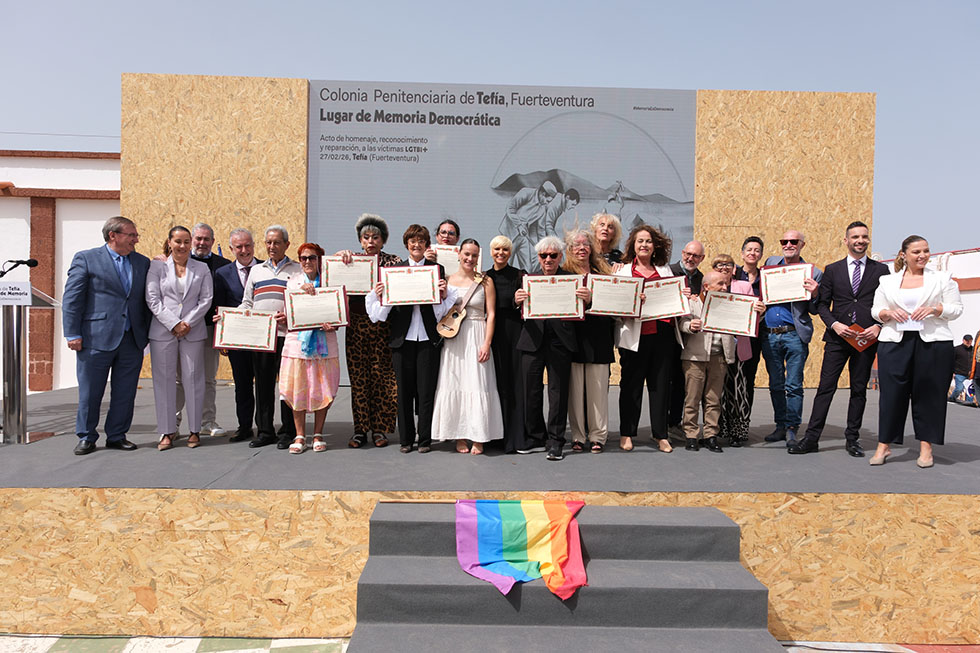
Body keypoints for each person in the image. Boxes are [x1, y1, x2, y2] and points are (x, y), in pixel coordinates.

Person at [790, 221, 890, 457]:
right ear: (846, 241)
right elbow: (823, 304)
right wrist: (835, 325)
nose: (860, 241)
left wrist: (878, 326)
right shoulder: (832, 270)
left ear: (868, 240)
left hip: (865, 339)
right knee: (825, 388)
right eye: (855, 237)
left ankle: (852, 439)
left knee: (858, 390)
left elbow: (888, 304)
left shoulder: (881, 271)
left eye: (864, 237)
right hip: (837, 338)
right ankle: (811, 438)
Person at [870, 235, 963, 468]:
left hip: (933, 343)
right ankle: (884, 445)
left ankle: (926, 447)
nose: (923, 255)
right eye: (916, 252)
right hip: (894, 342)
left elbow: (956, 309)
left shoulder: (942, 279)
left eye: (926, 251)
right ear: (904, 254)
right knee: (891, 395)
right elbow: (876, 310)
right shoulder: (887, 281)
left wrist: (935, 309)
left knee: (929, 395)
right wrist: (887, 314)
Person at [62, 216, 151, 455]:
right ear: (113, 235)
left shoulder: (142, 262)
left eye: (136, 235)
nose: (136, 240)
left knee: (125, 392)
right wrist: (72, 333)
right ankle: (86, 436)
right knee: (90, 392)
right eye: (131, 235)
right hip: (95, 338)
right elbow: (72, 299)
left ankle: (117, 435)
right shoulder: (86, 258)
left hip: (131, 339)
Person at [366, 224, 455, 453]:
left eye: (421, 241)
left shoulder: (437, 269)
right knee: (403, 391)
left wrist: (443, 294)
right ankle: (406, 439)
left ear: (426, 245)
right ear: (407, 244)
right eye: (412, 241)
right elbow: (380, 311)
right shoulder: (395, 270)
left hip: (428, 338)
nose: (417, 245)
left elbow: (443, 309)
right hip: (402, 339)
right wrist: (380, 294)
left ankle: (424, 439)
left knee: (426, 391)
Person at [513, 236, 585, 461]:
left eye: (553, 255)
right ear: (538, 257)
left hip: (559, 343)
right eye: (544, 255)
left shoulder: (571, 280)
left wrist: (587, 299)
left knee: (558, 394)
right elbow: (517, 308)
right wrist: (517, 300)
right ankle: (536, 437)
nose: (548, 259)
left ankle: (556, 441)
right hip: (532, 341)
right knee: (530, 392)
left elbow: (581, 308)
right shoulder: (528, 279)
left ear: (560, 256)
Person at [613, 224, 681, 453]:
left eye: (648, 241)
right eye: (640, 241)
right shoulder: (622, 272)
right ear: (633, 245)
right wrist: (633, 300)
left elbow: (673, 300)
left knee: (660, 386)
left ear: (655, 246)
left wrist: (682, 297)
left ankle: (660, 434)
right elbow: (615, 306)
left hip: (662, 335)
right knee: (630, 386)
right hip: (635, 336)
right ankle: (627, 433)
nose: (644, 245)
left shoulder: (665, 271)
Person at [431, 239, 503, 453]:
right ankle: (459, 435)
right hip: (454, 338)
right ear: (459, 254)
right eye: (467, 254)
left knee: (477, 383)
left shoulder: (486, 281)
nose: (470, 258)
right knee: (455, 382)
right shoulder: (447, 280)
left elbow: (492, 314)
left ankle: (479, 437)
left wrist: (487, 343)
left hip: (477, 334)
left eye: (474, 255)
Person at [146, 226, 213, 451]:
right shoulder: (156, 267)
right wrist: (173, 323)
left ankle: (195, 430)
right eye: (178, 241)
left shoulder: (202, 268)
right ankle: (167, 431)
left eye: (186, 241)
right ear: (169, 242)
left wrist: (187, 323)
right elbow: (152, 298)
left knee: (193, 379)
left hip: (192, 331)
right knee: (164, 381)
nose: (182, 246)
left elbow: (206, 299)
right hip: (163, 330)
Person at [337, 214, 401, 449]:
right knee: (359, 379)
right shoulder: (350, 261)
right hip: (357, 326)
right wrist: (337, 259)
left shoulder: (394, 262)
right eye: (366, 238)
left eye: (376, 237)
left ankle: (380, 429)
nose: (371, 241)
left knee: (383, 378)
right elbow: (332, 275)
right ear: (360, 240)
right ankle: (360, 430)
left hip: (384, 327)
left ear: (383, 240)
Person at [236, 225, 301, 448]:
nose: (272, 247)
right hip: (262, 338)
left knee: (287, 386)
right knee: (263, 386)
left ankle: (288, 431)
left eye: (277, 242)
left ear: (286, 245)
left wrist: (290, 316)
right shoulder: (256, 271)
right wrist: (229, 319)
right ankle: (265, 431)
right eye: (268, 243)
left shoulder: (297, 270)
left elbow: (302, 303)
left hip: (287, 337)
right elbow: (247, 302)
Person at [760, 230, 822, 446]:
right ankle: (780, 425)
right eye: (784, 241)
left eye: (793, 241)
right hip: (770, 334)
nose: (788, 244)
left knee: (794, 385)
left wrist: (815, 294)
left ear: (802, 244)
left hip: (794, 334)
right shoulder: (770, 264)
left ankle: (792, 428)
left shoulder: (813, 273)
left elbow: (815, 309)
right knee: (776, 384)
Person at [279, 243, 340, 454]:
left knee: (323, 388)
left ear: (320, 260)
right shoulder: (292, 283)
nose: (307, 261)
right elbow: (288, 313)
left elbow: (339, 313)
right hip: (297, 345)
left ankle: (318, 434)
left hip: (324, 344)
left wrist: (334, 323)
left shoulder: (330, 283)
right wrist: (300, 293)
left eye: (312, 257)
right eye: (303, 258)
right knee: (298, 388)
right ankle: (299, 434)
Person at [174, 223, 231, 437]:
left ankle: (207, 421)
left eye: (206, 239)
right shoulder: (178, 263)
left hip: (209, 330)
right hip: (181, 330)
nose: (202, 243)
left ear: (213, 242)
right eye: (198, 238)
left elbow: (227, 300)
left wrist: (226, 334)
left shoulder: (224, 266)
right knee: (179, 379)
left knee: (208, 378)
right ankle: (173, 423)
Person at [562, 229, 614, 453]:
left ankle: (598, 436)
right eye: (577, 245)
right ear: (570, 249)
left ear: (592, 248)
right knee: (575, 392)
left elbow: (614, 304)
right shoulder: (563, 274)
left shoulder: (604, 274)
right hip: (572, 339)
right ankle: (578, 436)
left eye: (585, 244)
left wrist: (593, 298)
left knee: (598, 391)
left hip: (599, 337)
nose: (581, 248)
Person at [678, 271, 737, 452]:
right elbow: (681, 323)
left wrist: (757, 311)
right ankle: (691, 435)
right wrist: (690, 326)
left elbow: (743, 320)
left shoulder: (730, 304)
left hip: (719, 357)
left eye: (726, 284)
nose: (725, 287)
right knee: (692, 398)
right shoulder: (692, 303)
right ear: (706, 286)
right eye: (720, 284)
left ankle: (710, 435)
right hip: (695, 357)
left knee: (713, 399)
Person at [212, 228, 262, 442]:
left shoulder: (265, 269)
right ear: (231, 249)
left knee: (264, 384)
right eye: (239, 247)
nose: (244, 250)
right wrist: (221, 336)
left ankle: (265, 427)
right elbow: (219, 305)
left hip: (263, 338)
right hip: (237, 339)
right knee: (242, 385)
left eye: (247, 245)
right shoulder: (222, 273)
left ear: (254, 245)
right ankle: (244, 426)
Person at [720, 237, 765, 446]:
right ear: (742, 253)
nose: (752, 253)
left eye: (757, 250)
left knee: (744, 385)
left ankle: (740, 429)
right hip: (722, 343)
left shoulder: (754, 282)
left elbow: (754, 311)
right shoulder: (721, 281)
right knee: (723, 386)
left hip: (746, 341)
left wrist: (760, 312)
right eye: (749, 249)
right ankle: (722, 428)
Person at [484, 235, 527, 453]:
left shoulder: (520, 275)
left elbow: (530, 305)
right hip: (492, 334)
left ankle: (516, 436)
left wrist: (519, 302)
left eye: (505, 250)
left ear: (510, 253)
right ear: (491, 252)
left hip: (515, 334)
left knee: (515, 383)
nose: (501, 253)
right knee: (495, 382)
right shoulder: (484, 277)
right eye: (497, 249)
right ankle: (495, 434)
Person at [668, 240, 706, 433]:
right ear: (682, 253)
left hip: (690, 339)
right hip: (668, 336)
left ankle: (675, 422)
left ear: (702, 258)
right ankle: (664, 424)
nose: (690, 258)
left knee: (681, 383)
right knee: (667, 381)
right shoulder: (669, 272)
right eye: (688, 254)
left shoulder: (702, 279)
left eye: (695, 256)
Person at [950, 334, 974, 404]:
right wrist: (952, 372)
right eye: (967, 341)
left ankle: (969, 403)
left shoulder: (973, 350)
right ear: (963, 340)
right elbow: (951, 361)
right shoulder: (957, 349)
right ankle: (952, 398)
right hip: (959, 373)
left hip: (970, 374)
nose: (968, 342)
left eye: (970, 341)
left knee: (970, 391)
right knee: (959, 388)